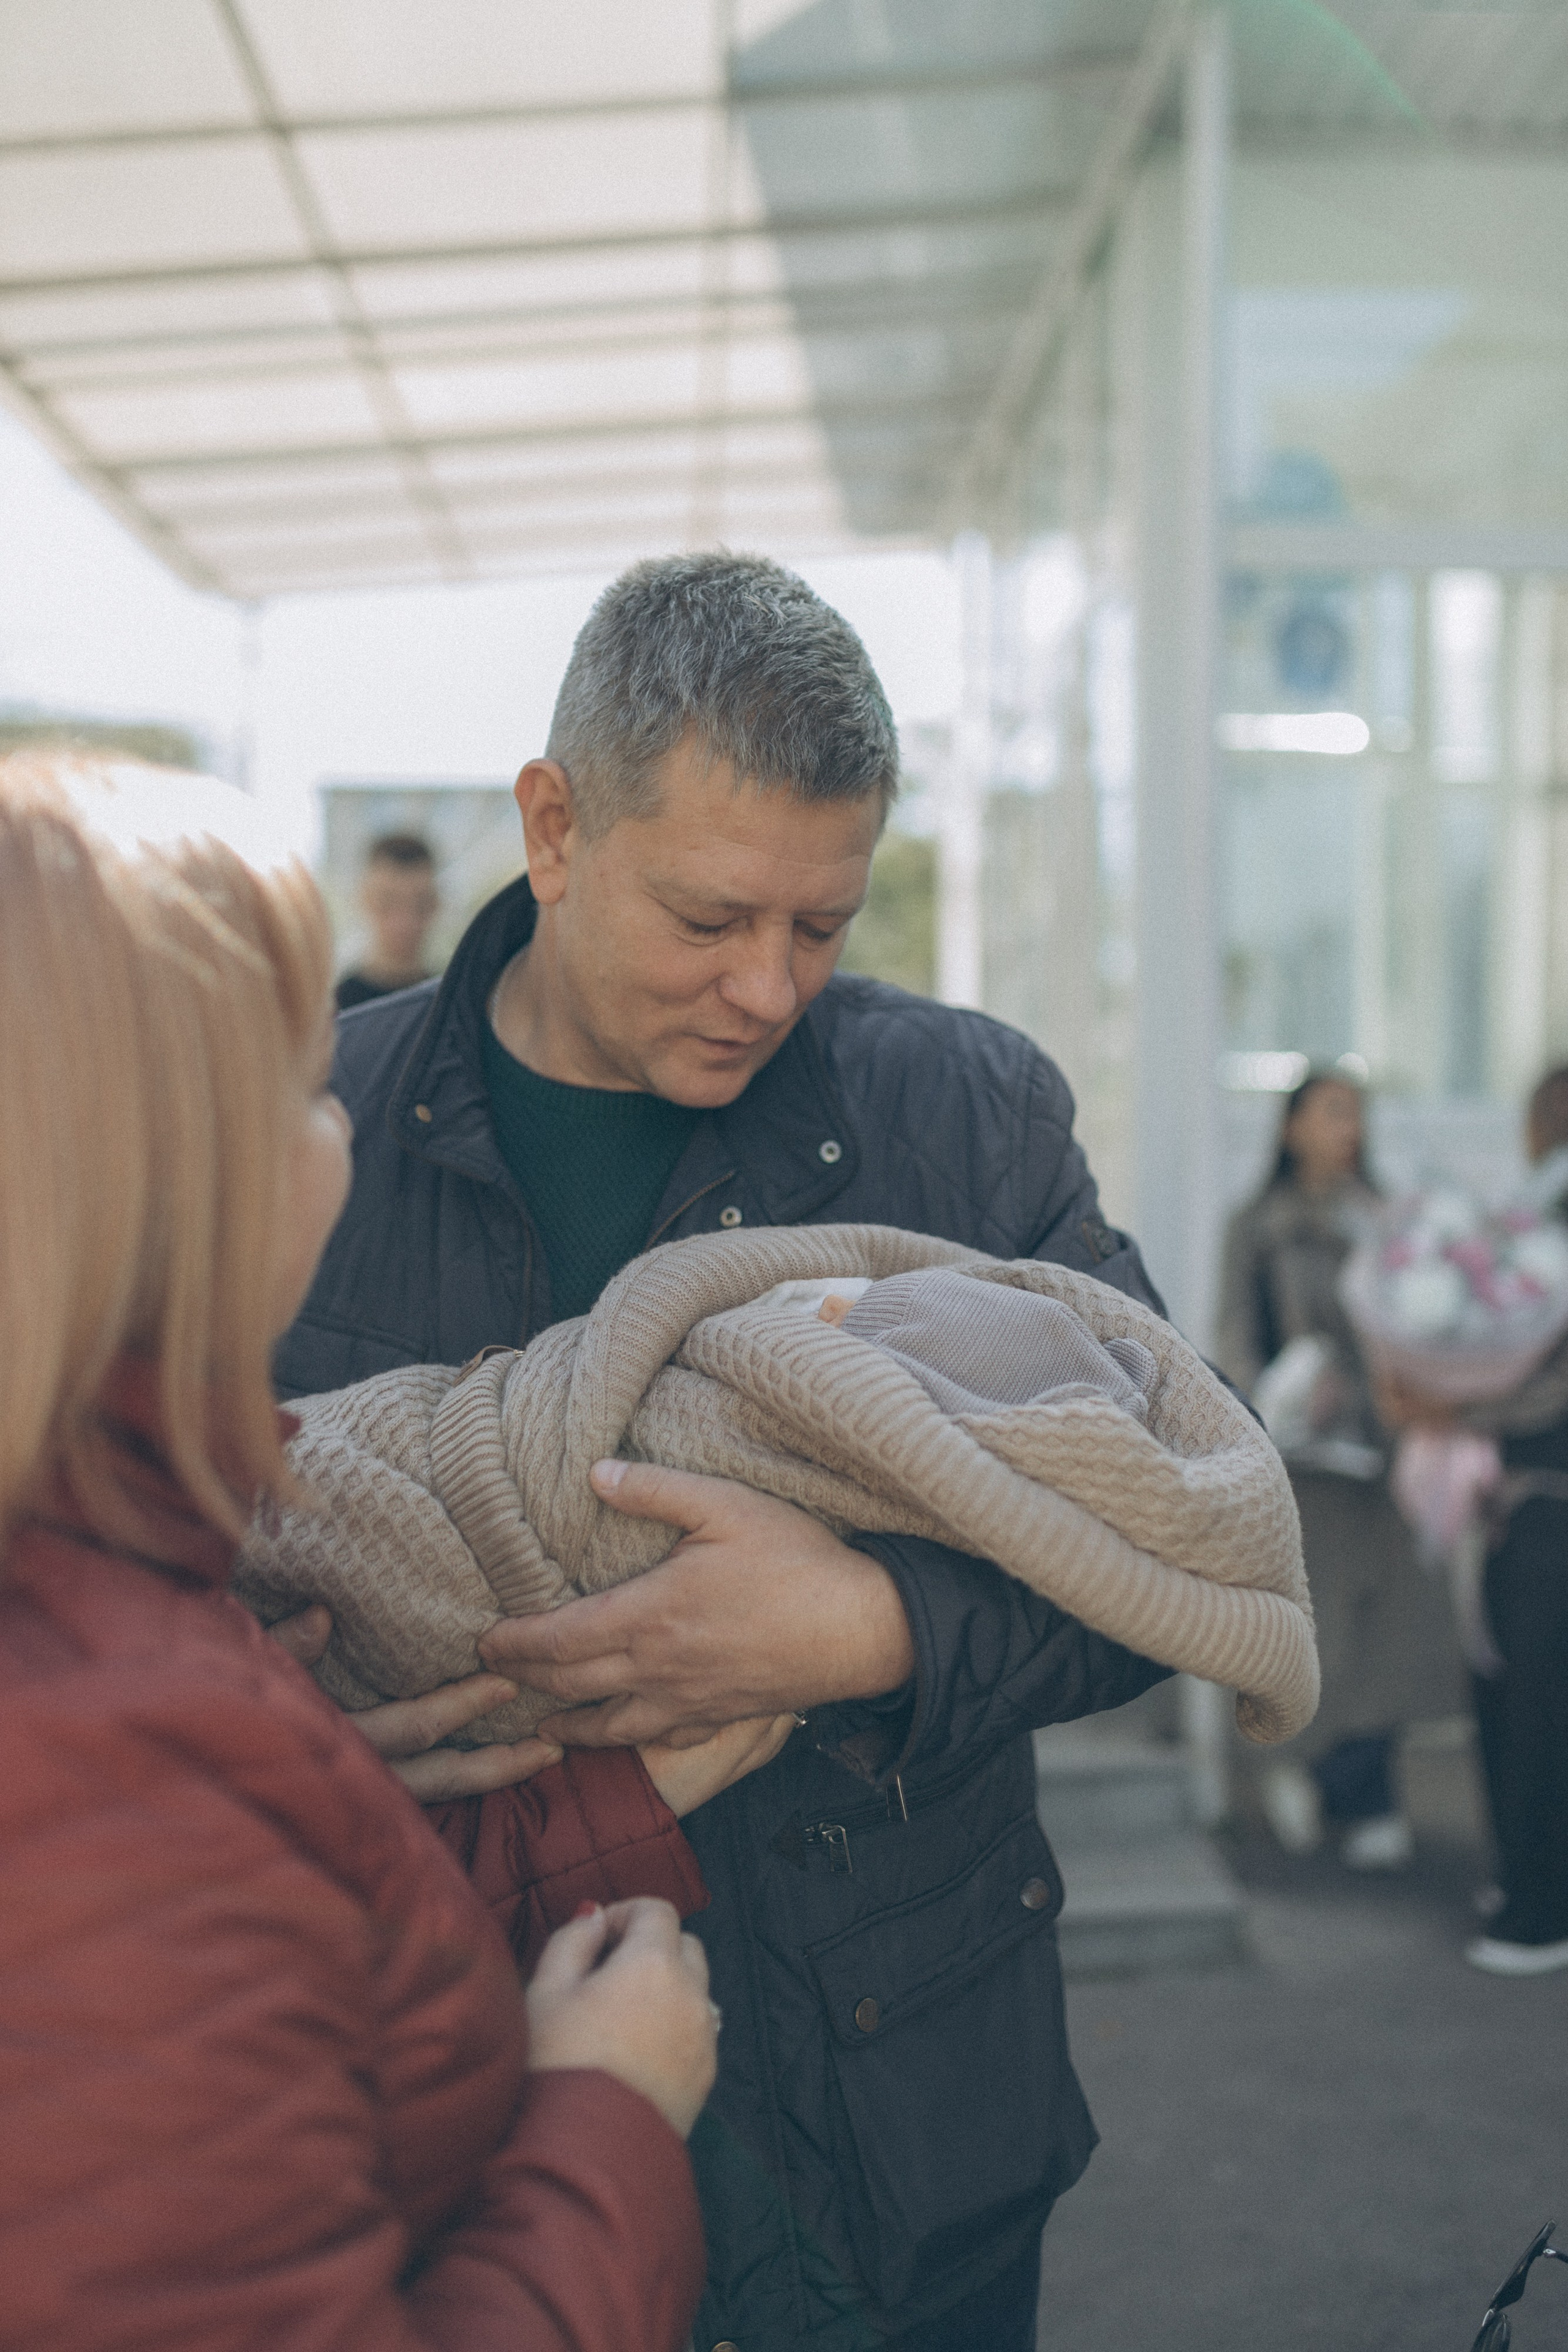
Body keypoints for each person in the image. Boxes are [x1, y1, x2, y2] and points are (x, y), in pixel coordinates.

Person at [279, 551, 1174, 2352]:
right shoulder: (293, 1130)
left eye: (822, 924)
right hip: (452, 2131)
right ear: (551, 824)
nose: (769, 986)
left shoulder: (968, 1109)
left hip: (905, 2131)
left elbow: (1183, 1535)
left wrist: (875, 1626)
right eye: (707, 916)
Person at [0, 751, 793, 2350]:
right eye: (303, 1083)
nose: (339, 1132)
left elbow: (271, 1934)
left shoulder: (117, 1571)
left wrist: (605, 1812)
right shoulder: (102, 1739)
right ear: (171, 1168)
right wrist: (610, 2114)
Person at [1215, 1069, 1463, 1868]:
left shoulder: (1389, 1220)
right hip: (1301, 1462)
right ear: (1291, 1128)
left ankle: (1365, 1786)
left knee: (1385, 1622)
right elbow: (1234, 1336)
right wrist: (1278, 1395)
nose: (1348, 1128)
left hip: (1383, 1456)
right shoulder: (1257, 1226)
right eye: (1331, 1112)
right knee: (1310, 1623)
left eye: (1356, 1113)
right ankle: (1289, 1769)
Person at [1382, 1065, 1568, 1975]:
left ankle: (1537, 1909)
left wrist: (1460, 1409)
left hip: (1545, 1505)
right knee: (1513, 1700)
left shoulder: (1542, 1233)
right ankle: (1528, 1882)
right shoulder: (1531, 1227)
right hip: (1523, 1504)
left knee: (1533, 1709)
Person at [336, 830, 440, 1009]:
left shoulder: (453, 1003)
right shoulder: (333, 1011)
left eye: (420, 905)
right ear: (364, 900)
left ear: (436, 905)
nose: (404, 921)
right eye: (387, 902)